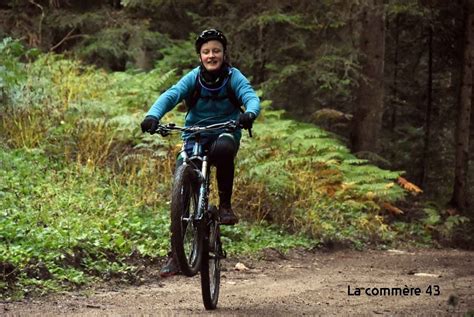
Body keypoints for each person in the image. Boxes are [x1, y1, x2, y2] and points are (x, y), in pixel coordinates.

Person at [140, 29, 260, 277]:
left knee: (225, 149)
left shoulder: (233, 77)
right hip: (194, 133)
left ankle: (225, 206)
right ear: (200, 56)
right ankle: (177, 255)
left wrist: (249, 113)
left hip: (225, 130)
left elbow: (250, 96)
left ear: (224, 53)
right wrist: (153, 115)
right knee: (183, 176)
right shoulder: (193, 78)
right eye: (206, 52)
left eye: (216, 50)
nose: (211, 55)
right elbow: (172, 94)